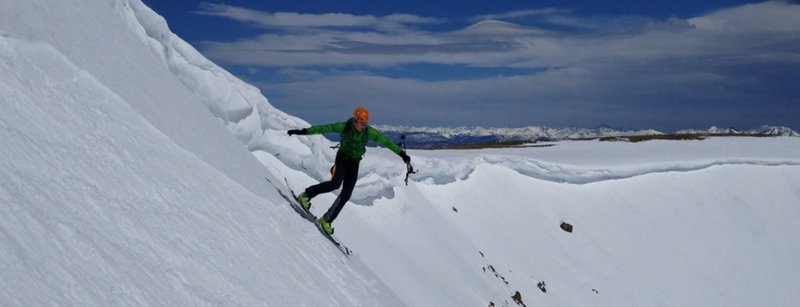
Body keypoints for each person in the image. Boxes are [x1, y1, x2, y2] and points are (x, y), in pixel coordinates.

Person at [287, 106, 411, 235]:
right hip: (342, 158)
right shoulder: (344, 127)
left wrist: (402, 154)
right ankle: (306, 195)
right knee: (335, 184)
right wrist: (303, 131)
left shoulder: (369, 132)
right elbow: (324, 128)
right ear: (355, 120)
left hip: (354, 163)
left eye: (365, 124)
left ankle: (327, 220)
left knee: (346, 194)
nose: (364, 126)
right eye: (362, 123)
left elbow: (386, 142)